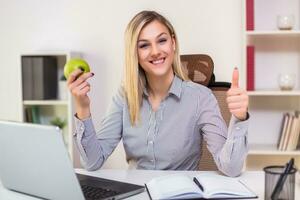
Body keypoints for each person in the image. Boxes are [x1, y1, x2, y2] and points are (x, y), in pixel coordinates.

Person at [68, 10, 249, 177]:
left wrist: (240, 118)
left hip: (181, 195)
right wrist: (83, 107)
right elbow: (92, 162)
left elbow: (230, 168)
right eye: (144, 45)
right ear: (135, 54)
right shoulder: (125, 96)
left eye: (161, 40)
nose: (155, 51)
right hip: (137, 194)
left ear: (173, 43)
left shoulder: (200, 97)